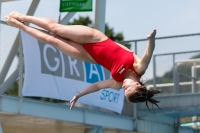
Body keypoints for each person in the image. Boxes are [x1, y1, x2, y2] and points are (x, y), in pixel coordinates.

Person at [5, 11, 161, 110]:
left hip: (89, 56)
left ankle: (19, 25)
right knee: (56, 29)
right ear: (137, 84)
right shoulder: (138, 68)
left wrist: (80, 94)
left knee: (52, 41)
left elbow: (97, 85)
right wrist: (152, 38)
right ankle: (22, 17)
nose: (124, 88)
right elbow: (149, 52)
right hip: (96, 39)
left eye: (124, 91)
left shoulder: (118, 82)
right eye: (128, 89)